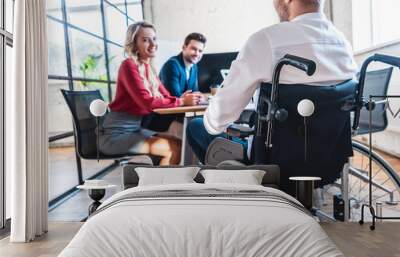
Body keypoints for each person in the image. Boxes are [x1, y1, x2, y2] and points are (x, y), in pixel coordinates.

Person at [187, 0, 357, 164]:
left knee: (196, 126)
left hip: (274, 161)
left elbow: (217, 120)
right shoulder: (343, 45)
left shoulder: (266, 40)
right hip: (330, 158)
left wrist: (213, 120)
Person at [100, 21, 201, 165]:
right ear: (134, 44)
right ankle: (163, 186)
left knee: (180, 144)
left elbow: (167, 96)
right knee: (174, 149)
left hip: (135, 129)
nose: (153, 44)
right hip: (116, 134)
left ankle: (164, 184)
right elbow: (147, 102)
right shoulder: (128, 66)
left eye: (154, 39)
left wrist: (181, 99)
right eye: (146, 40)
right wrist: (182, 101)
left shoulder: (149, 68)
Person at [159, 33, 207, 98]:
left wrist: (199, 98)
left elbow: (195, 93)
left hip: (183, 107)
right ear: (184, 48)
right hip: (168, 107)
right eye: (193, 49)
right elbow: (174, 98)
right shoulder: (172, 65)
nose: (197, 54)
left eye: (200, 51)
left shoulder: (194, 67)